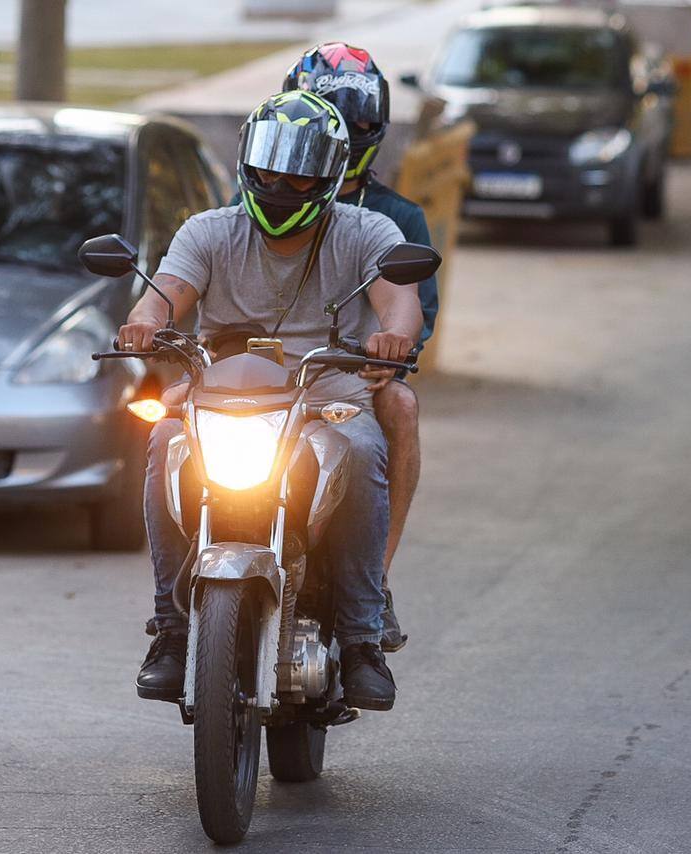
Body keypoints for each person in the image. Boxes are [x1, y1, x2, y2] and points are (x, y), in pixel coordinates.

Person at [124, 90, 422, 711]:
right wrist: (145, 321)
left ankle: (363, 634)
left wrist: (393, 333)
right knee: (162, 440)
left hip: (329, 384)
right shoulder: (208, 231)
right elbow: (164, 294)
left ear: (332, 173)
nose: (281, 184)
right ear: (246, 163)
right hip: (225, 385)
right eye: (268, 169)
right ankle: (172, 631)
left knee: (365, 448)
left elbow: (401, 299)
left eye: (299, 172)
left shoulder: (368, 230)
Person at [281, 42, 439, 652]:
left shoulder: (396, 218)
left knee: (400, 404)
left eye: (355, 125)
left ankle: (375, 578)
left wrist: (390, 347)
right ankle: (180, 604)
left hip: (352, 377)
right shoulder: (254, 198)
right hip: (263, 372)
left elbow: (415, 314)